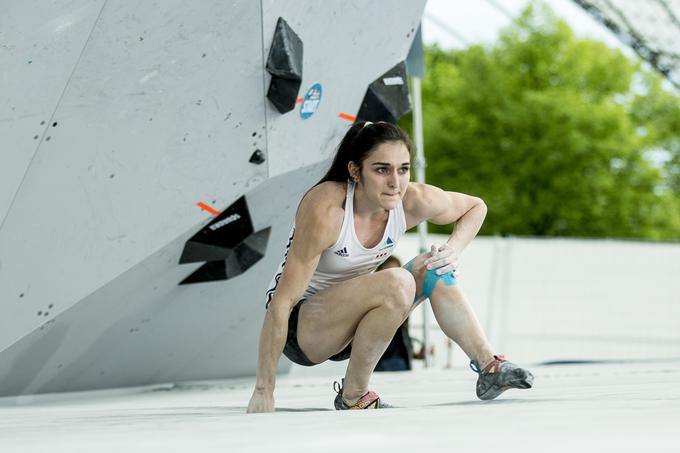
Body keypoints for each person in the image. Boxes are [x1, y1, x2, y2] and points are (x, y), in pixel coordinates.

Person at [247, 121, 533, 412]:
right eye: (382, 169)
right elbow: (282, 302)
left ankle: (489, 366)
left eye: (403, 169)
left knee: (433, 265)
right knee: (398, 281)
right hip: (305, 330)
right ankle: (354, 396)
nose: (395, 182)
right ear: (355, 171)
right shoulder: (328, 211)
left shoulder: (412, 200)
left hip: (359, 323)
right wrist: (264, 390)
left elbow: (476, 207)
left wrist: (452, 251)